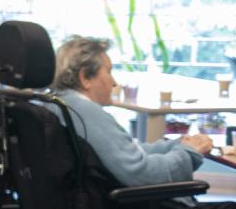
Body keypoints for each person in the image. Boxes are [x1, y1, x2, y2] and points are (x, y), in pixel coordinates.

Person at [53, 36, 217, 188]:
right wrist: (189, 152)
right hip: (127, 207)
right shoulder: (86, 113)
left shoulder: (57, 104)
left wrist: (179, 145)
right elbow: (141, 174)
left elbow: (130, 152)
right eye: (109, 72)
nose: (114, 82)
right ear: (85, 78)